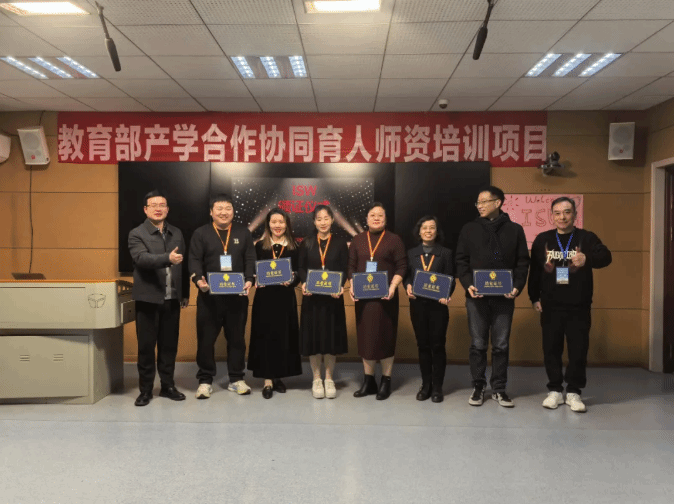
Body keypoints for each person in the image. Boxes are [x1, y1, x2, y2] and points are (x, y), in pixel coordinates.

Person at [528, 197, 612, 413]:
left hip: (578, 306)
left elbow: (606, 257)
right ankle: (555, 390)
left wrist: (587, 259)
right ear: (551, 216)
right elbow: (535, 271)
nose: (562, 217)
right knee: (551, 349)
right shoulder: (542, 239)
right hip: (550, 305)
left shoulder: (587, 238)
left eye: (567, 212)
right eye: (557, 213)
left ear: (575, 214)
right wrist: (534, 297)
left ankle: (574, 392)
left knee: (578, 350)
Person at [456, 186, 530, 408]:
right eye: (477, 202)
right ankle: (478, 387)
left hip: (504, 298)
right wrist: (467, 284)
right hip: (476, 297)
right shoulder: (469, 229)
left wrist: (517, 286)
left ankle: (499, 389)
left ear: (498, 203)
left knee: (501, 345)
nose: (479, 206)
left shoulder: (515, 230)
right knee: (478, 344)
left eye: (483, 202)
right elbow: (461, 260)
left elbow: (522, 262)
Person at [188, 194, 256, 399]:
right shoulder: (201, 233)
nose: (223, 212)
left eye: (228, 208)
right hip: (209, 297)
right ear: (211, 212)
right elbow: (194, 260)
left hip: (237, 297)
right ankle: (205, 380)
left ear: (233, 212)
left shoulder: (243, 233)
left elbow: (250, 258)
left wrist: (249, 279)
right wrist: (198, 280)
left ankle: (236, 379)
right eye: (219, 208)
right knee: (206, 340)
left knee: (237, 339)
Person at [128, 190, 189, 406]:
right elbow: (141, 259)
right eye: (153, 205)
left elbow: (183, 265)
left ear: (167, 209)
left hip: (172, 299)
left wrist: (184, 293)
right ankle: (145, 390)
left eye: (162, 205)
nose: (158, 208)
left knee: (169, 346)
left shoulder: (176, 233)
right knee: (146, 347)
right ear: (146, 210)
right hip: (148, 299)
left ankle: (167, 386)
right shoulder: (137, 233)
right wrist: (167, 258)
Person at [348, 202, 407, 400]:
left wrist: (393, 287)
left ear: (385, 219)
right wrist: (352, 286)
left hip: (386, 297)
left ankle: (386, 381)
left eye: (380, 215)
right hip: (364, 298)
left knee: (386, 336)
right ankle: (369, 381)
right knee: (366, 337)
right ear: (366, 219)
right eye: (372, 215)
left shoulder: (394, 240)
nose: (376, 218)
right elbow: (351, 266)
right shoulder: (358, 240)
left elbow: (402, 266)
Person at [248, 208, 303, 399]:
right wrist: (255, 278)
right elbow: (253, 270)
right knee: (265, 337)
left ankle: (279, 377)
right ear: (268, 225)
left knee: (283, 337)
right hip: (264, 299)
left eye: (281, 222)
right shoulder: (259, 246)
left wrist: (293, 280)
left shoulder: (294, 247)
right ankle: (267, 381)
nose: (277, 225)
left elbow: (299, 272)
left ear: (286, 224)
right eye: (274, 222)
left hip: (285, 299)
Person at [298, 205, 349, 399]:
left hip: (332, 300)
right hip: (312, 299)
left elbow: (344, 268)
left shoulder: (340, 243)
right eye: (319, 219)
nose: (323, 222)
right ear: (314, 221)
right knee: (313, 338)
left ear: (332, 220)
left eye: (326, 218)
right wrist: (304, 282)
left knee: (330, 338)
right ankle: (316, 379)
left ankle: (329, 378)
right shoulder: (307, 242)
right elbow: (301, 267)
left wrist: (340, 286)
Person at [404, 216, 455, 403]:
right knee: (423, 345)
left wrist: (447, 293)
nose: (428, 231)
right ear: (419, 231)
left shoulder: (446, 253)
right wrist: (408, 286)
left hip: (438, 306)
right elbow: (407, 276)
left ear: (436, 231)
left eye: (432, 227)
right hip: (417, 305)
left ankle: (437, 386)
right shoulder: (411, 253)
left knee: (438, 346)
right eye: (424, 228)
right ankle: (426, 385)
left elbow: (450, 278)